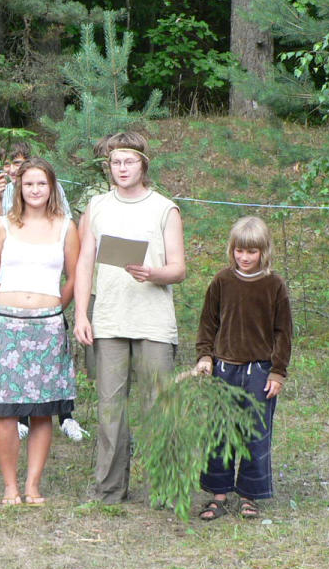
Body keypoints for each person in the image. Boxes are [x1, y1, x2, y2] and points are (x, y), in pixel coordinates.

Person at [74, 132, 186, 504]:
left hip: (153, 322)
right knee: (110, 410)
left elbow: (179, 268)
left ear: (143, 164)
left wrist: (153, 273)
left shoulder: (164, 209)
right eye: (116, 162)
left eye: (129, 161)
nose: (122, 169)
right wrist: (81, 314)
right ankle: (109, 489)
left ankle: (164, 489)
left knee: (158, 407)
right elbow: (84, 264)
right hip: (109, 319)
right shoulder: (97, 206)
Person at [0, 159, 79, 505]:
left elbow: (74, 277)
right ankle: (10, 486)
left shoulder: (66, 227)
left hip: (47, 326)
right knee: (6, 410)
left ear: (52, 187)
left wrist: (54, 307)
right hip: (7, 326)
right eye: (29, 184)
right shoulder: (2, 225)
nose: (35, 190)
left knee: (42, 409)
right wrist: (4, 306)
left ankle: (33, 485)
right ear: (19, 188)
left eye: (41, 184)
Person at [194, 216, 293, 521]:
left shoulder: (274, 285)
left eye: (252, 251)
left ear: (264, 251)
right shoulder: (222, 281)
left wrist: (277, 372)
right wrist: (205, 356)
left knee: (255, 434)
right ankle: (218, 494)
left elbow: (283, 332)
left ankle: (250, 495)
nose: (245, 257)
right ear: (232, 249)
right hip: (224, 370)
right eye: (239, 250)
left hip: (259, 371)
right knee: (220, 433)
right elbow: (208, 322)